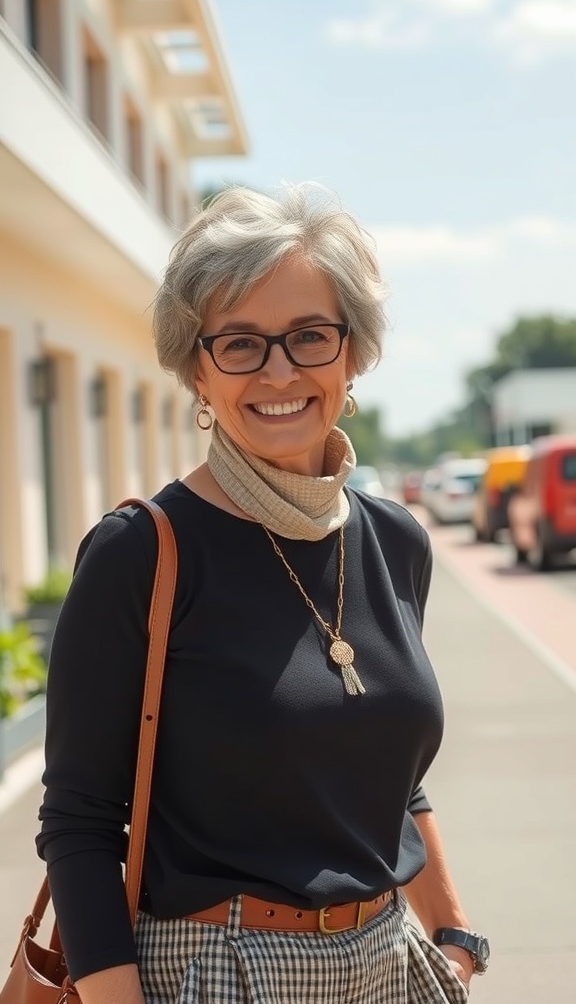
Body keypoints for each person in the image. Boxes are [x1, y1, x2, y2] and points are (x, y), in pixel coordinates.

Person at [37, 183, 489, 1004]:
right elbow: (79, 824)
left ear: (352, 357)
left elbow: (390, 777)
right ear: (197, 373)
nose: (279, 371)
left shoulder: (395, 542)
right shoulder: (140, 554)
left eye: (310, 336)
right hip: (223, 970)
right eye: (240, 343)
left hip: (393, 962)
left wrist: (452, 933)